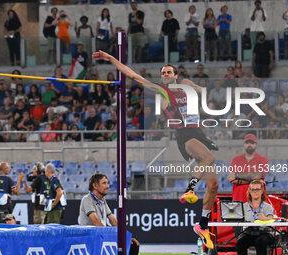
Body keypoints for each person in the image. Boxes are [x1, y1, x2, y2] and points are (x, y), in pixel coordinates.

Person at [92, 50, 219, 249]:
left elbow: (202, 93)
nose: (166, 75)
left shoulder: (185, 85)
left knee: (213, 186)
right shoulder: (162, 90)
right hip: (185, 136)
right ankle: (189, 189)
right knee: (208, 158)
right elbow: (134, 76)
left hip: (199, 133)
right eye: (163, 73)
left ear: (176, 75)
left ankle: (202, 225)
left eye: (169, 72)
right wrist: (111, 59)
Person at [79, 173, 140, 255]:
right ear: (95, 185)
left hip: (100, 235)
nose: (107, 186)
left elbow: (114, 221)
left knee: (133, 245)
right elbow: (96, 222)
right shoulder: (87, 199)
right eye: (104, 183)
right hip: (91, 238)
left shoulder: (103, 200)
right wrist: (109, 236)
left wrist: (126, 237)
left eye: (107, 183)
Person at [236, 180, 275, 255]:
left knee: (260, 241)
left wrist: (265, 218)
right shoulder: (243, 207)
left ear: (262, 191)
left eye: (257, 189)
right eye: (252, 189)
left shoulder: (268, 206)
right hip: (248, 232)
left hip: (264, 233)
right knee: (240, 242)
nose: (255, 192)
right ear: (249, 191)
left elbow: (271, 218)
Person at [228, 134, 268, 203]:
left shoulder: (263, 159)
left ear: (256, 145)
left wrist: (237, 176)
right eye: (247, 142)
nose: (249, 145)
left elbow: (258, 176)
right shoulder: (236, 159)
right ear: (244, 144)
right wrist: (253, 180)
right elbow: (231, 178)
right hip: (239, 198)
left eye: (252, 143)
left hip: (256, 200)